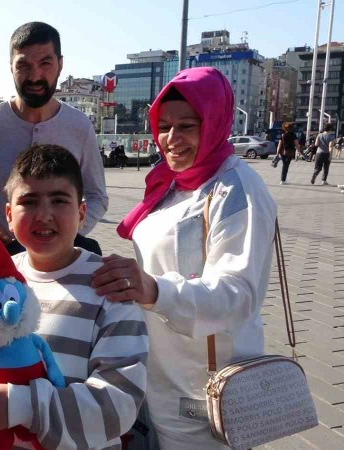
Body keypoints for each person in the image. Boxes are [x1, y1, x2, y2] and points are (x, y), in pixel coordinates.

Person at [95, 67, 276, 449]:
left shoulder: (236, 189)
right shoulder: (172, 182)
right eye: (164, 126)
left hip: (204, 389)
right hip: (157, 375)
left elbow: (238, 294)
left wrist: (153, 289)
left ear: (214, 123)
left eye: (187, 126)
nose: (172, 138)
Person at [0, 144, 148, 449]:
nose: (44, 215)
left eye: (59, 200)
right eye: (29, 201)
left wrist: (21, 406)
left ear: (82, 213)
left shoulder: (109, 286)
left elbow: (119, 404)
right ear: (9, 215)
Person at [0, 21, 108, 254]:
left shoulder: (79, 126)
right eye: (23, 65)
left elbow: (97, 196)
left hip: (63, 261)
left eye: (45, 63)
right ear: (11, 67)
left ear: (60, 64)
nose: (35, 76)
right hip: (3, 257)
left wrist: (68, 232)